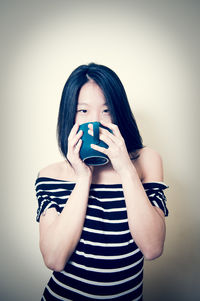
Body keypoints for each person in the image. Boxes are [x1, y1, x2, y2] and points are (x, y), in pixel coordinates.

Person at [35, 62, 169, 301]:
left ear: (119, 113)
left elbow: (152, 248)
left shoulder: (146, 161)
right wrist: (83, 176)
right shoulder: (49, 175)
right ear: (70, 115)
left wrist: (126, 169)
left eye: (107, 110)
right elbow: (54, 259)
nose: (95, 122)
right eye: (83, 111)